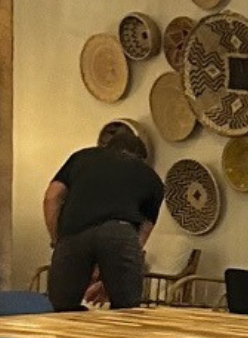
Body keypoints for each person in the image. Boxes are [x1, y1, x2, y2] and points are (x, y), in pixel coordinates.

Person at [43, 123, 165, 312]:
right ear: (141, 157)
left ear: (106, 147)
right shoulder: (152, 178)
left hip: (74, 230)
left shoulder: (82, 157)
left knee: (60, 309)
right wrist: (109, 277)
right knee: (127, 312)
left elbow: (52, 197)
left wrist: (57, 240)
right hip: (120, 232)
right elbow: (143, 232)